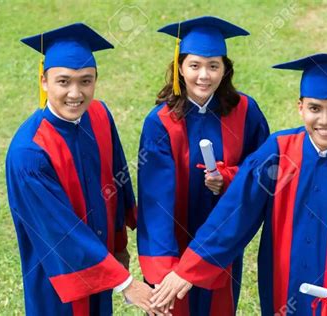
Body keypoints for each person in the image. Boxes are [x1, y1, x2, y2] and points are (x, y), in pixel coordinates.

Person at [150, 53, 327, 315]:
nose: (325, 120)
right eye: (315, 108)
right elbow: (234, 213)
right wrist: (190, 268)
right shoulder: (278, 152)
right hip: (282, 293)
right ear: (300, 107)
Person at [6, 23, 159, 315]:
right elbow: (60, 231)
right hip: (57, 279)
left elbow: (117, 183)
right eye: (63, 82)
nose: (75, 94)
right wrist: (125, 283)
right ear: (44, 81)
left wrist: (119, 245)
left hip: (101, 265)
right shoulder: (30, 153)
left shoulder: (99, 115)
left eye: (85, 81)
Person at [137, 16, 270, 315]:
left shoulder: (246, 111)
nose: (204, 76)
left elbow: (263, 172)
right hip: (174, 245)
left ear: (225, 69)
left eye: (214, 66)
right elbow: (154, 201)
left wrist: (228, 177)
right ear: (180, 68)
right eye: (194, 65)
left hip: (223, 241)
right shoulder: (160, 122)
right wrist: (161, 272)